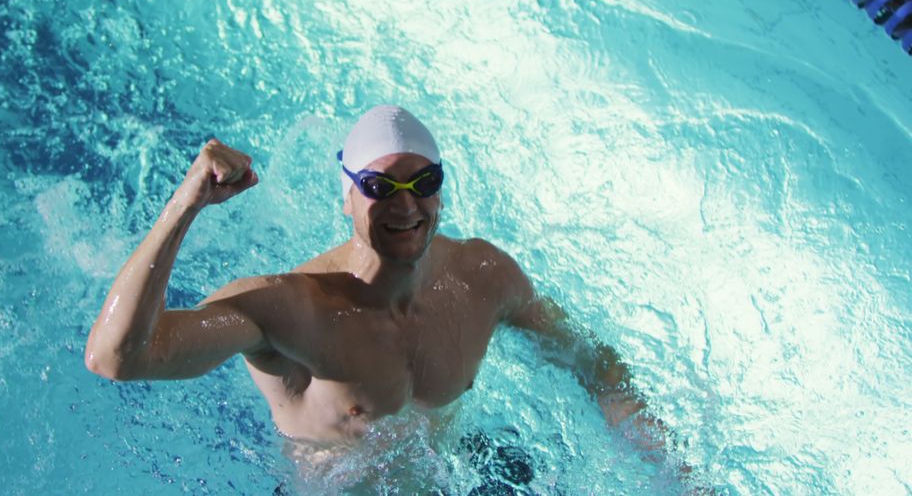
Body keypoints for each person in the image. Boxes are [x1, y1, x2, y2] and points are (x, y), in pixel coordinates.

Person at [85, 105, 675, 469]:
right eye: (379, 185)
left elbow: (592, 360)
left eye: (424, 182)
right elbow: (119, 357)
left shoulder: (481, 276)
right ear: (346, 197)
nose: (406, 204)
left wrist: (669, 467)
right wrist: (185, 205)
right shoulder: (290, 309)